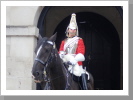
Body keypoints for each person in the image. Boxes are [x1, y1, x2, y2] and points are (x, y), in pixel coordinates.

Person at [59, 13, 89, 90]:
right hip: (65, 62)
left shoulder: (79, 40)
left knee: (81, 74)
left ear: (76, 31)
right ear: (68, 30)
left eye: (74, 29)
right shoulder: (63, 41)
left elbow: (81, 53)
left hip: (76, 62)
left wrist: (74, 60)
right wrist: (61, 55)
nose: (72, 31)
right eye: (71, 29)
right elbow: (61, 51)